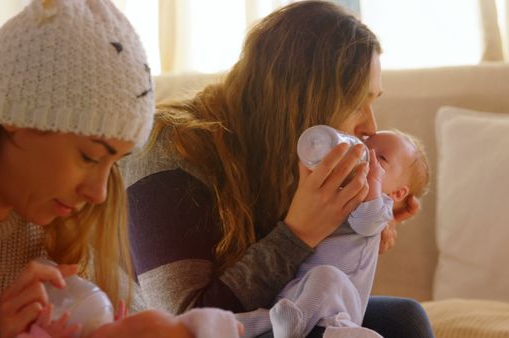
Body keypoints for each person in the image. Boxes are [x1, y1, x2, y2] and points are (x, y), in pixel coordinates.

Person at [0, 0, 240, 337]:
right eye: (90, 157)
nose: (99, 192)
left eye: (114, 164)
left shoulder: (68, 222)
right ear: (15, 114)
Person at [124, 1, 434, 338]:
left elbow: (293, 289)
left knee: (404, 319)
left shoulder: (280, 155)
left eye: (373, 101)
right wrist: (299, 232)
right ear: (303, 100)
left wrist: (356, 230)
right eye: (356, 103)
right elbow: (184, 324)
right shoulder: (170, 152)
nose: (370, 126)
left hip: (256, 317)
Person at [252, 130, 430, 338]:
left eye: (381, 158)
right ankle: (242, 325)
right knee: (270, 315)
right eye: (365, 144)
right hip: (299, 291)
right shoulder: (339, 191)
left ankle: (290, 328)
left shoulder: (378, 208)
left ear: (397, 193)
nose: (365, 153)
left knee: (328, 277)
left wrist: (374, 186)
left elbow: (367, 221)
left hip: (338, 307)